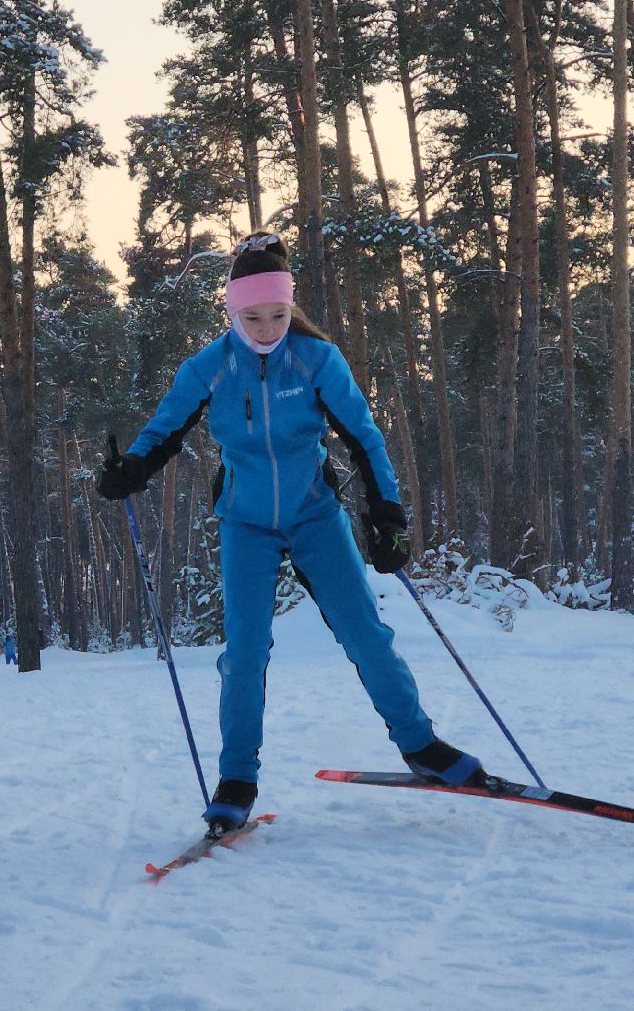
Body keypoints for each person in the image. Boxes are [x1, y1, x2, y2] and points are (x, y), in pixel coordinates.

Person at [98, 231, 488, 835]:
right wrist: (133, 469)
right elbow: (164, 431)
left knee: (367, 634)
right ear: (231, 309)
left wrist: (388, 513)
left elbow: (364, 438)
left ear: (291, 307)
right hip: (245, 524)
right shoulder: (210, 367)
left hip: (315, 517)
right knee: (246, 653)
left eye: (278, 314)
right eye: (252, 316)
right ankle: (236, 782)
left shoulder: (316, 360)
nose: (266, 327)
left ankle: (421, 747)